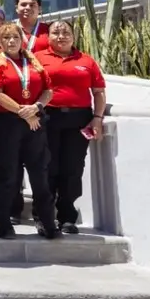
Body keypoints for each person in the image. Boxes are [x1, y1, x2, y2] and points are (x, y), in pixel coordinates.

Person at [0, 22, 60, 239]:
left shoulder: (33, 61)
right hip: (8, 123)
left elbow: (48, 90)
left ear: (22, 40)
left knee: (40, 175)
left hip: (35, 121)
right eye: (6, 38)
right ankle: (3, 223)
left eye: (15, 37)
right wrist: (23, 112)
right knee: (7, 176)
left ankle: (47, 223)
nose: (12, 41)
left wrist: (36, 108)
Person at [36, 19, 107, 233]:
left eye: (66, 32)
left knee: (73, 168)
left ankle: (67, 215)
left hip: (79, 119)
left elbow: (99, 92)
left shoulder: (86, 60)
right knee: (48, 166)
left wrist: (97, 117)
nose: (61, 36)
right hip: (48, 117)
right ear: (48, 37)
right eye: (56, 32)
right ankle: (43, 215)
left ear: (74, 36)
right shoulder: (38, 59)